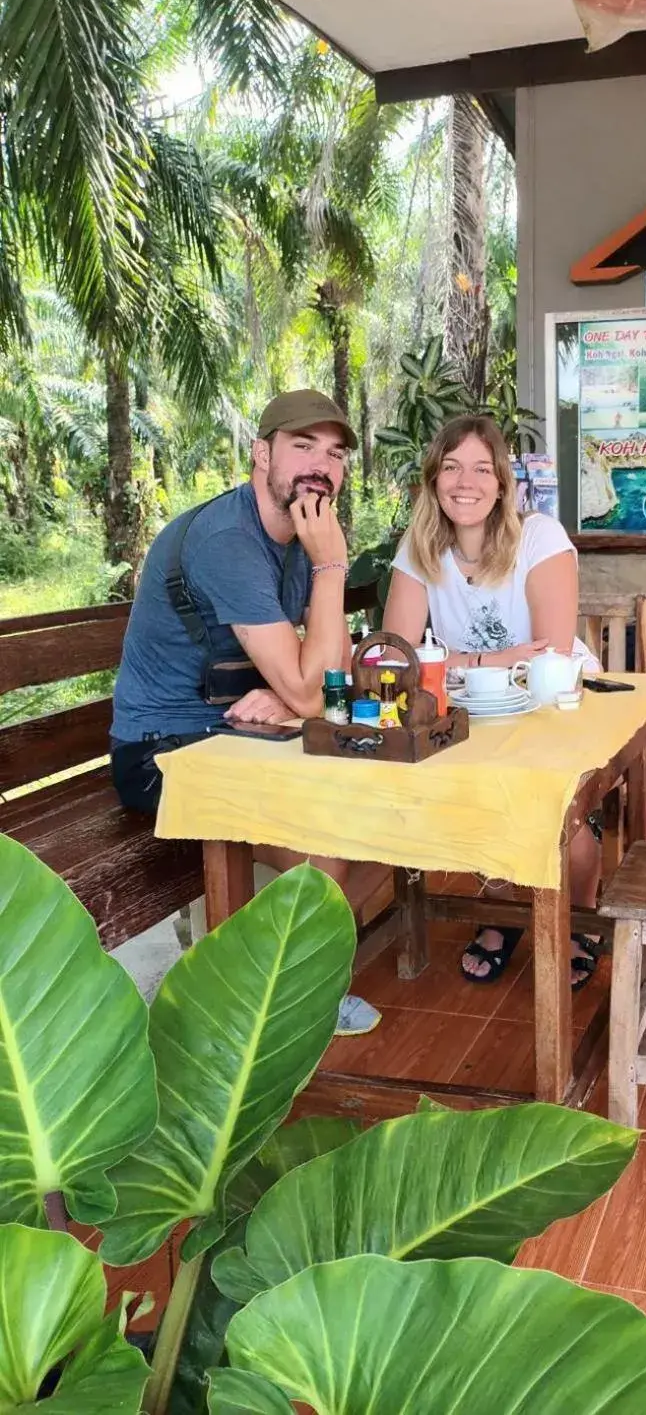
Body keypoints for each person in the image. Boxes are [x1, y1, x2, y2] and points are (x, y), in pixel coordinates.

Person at [110, 388, 385, 1035]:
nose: (322, 464)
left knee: (372, 812)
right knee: (326, 850)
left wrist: (291, 692)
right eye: (303, 445)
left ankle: (274, 970)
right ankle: (281, 1000)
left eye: (335, 452)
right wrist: (334, 566)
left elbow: (323, 678)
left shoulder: (293, 537)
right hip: (161, 751)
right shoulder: (228, 539)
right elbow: (317, 690)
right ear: (261, 454)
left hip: (229, 728)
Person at [383, 414, 604, 989]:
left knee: (557, 807)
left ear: (503, 483)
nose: (466, 482)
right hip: (472, 702)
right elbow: (395, 659)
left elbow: (550, 655)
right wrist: (486, 662)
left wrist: (452, 661)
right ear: (433, 480)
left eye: (483, 468)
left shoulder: (540, 538)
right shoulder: (419, 548)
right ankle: (504, 915)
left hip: (554, 695)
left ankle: (582, 910)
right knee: (485, 799)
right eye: (452, 467)